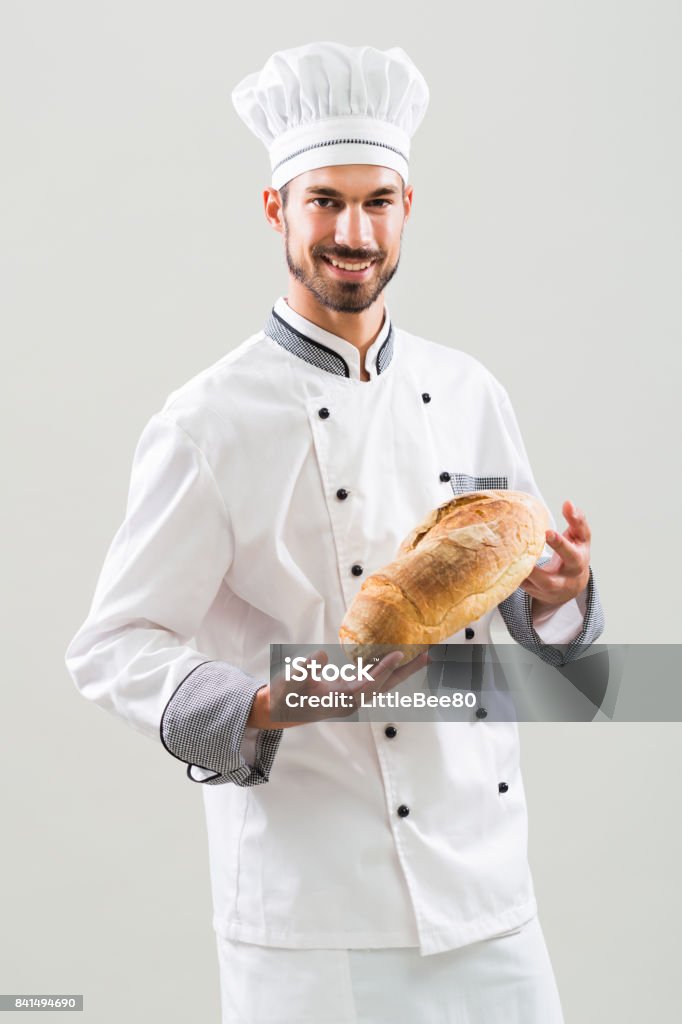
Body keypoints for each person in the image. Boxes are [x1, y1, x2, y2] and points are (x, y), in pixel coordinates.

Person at [65, 42, 604, 1024]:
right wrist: (263, 702)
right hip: (312, 912)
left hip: (485, 891)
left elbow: (517, 621)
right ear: (276, 208)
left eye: (376, 201)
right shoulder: (208, 421)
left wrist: (557, 598)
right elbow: (110, 646)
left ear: (407, 207)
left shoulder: (470, 391)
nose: (352, 231)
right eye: (324, 201)